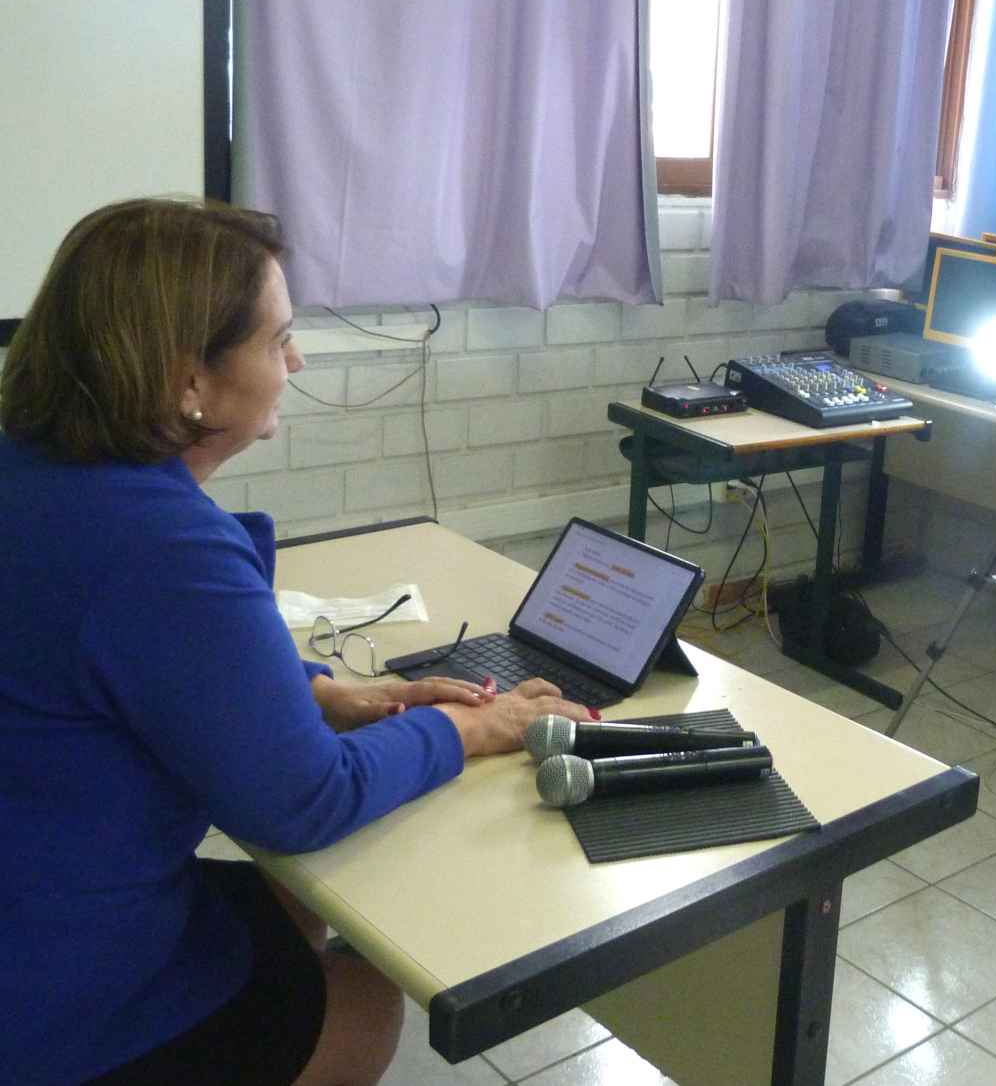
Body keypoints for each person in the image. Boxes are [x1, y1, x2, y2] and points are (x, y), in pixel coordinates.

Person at [0, 198, 594, 1086]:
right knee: (363, 996)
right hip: (54, 1012)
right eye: (277, 340)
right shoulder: (160, 548)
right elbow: (304, 803)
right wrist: (477, 728)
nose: (296, 360)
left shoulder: (33, 470)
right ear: (188, 380)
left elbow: (110, 668)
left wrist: (321, 695)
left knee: (288, 909)